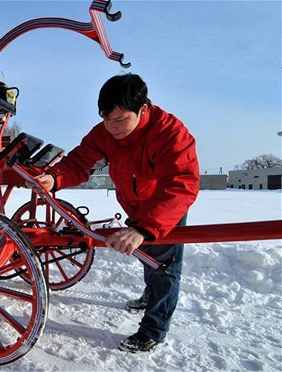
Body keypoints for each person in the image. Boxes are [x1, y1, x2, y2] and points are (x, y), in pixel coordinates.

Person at [36, 73, 199, 353]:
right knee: (148, 258)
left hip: (164, 209)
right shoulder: (105, 132)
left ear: (143, 110)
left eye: (120, 120)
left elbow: (181, 184)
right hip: (134, 205)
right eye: (105, 119)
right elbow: (79, 161)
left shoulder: (170, 133)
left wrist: (144, 228)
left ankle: (154, 330)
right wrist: (54, 178)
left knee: (165, 268)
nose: (111, 127)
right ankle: (150, 294)